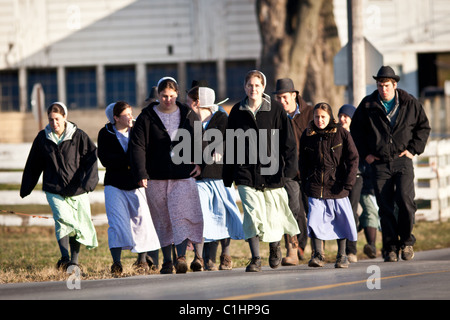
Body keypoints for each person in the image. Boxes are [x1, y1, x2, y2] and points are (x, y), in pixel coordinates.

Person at [350, 66, 431, 262]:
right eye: (380, 85)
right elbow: (355, 130)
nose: (383, 89)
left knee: (405, 200)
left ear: (394, 85)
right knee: (384, 206)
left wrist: (413, 150)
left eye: (386, 85)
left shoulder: (409, 103)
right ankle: (390, 248)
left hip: (402, 160)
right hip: (378, 163)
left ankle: (406, 242)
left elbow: (423, 127)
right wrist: (366, 154)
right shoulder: (368, 105)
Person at [223, 70, 300, 272]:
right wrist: (229, 175)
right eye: (250, 85)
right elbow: (230, 145)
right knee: (251, 213)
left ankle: (275, 248)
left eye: (257, 85)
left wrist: (289, 170)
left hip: (272, 172)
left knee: (272, 215)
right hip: (246, 172)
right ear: (245, 87)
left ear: (263, 88)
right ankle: (255, 258)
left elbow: (288, 142)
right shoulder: (237, 112)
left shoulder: (275, 109)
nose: (253, 89)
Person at [129, 77, 204, 274]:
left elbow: (199, 138)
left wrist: (199, 162)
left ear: (177, 94)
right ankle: (167, 261)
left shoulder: (188, 114)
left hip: (182, 175)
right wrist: (141, 172)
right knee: (163, 220)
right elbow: (137, 147)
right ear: (158, 95)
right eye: (164, 96)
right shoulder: (146, 117)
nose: (168, 100)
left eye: (171, 96)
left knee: (180, 215)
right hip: (156, 176)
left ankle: (180, 257)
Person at [20, 102, 99, 271]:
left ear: (65, 117)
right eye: (50, 120)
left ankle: (73, 261)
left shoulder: (79, 136)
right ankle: (64, 257)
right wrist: (26, 187)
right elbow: (33, 164)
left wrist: (89, 182)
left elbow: (91, 159)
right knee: (63, 219)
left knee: (78, 224)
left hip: (77, 189)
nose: (54, 123)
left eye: (57, 119)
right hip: (53, 188)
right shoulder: (43, 138)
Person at [97, 101, 161, 275]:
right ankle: (116, 262)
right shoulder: (105, 133)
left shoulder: (137, 131)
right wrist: (130, 162)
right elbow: (105, 158)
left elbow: (146, 152)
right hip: (114, 183)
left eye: (131, 113)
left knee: (142, 220)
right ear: (116, 118)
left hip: (136, 183)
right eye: (126, 114)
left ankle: (141, 260)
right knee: (116, 222)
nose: (131, 117)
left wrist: (141, 171)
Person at [186, 85, 244, 271]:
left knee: (223, 214)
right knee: (201, 215)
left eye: (189, 102)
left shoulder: (221, 119)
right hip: (199, 179)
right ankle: (199, 258)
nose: (187, 105)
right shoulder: (189, 121)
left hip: (220, 176)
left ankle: (225, 254)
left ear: (198, 102)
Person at [299, 102, 359, 268]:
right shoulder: (308, 134)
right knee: (314, 220)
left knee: (341, 221)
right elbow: (302, 161)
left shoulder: (341, 133)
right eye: (317, 117)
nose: (320, 120)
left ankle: (342, 255)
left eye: (323, 117)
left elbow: (353, 158)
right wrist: (305, 181)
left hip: (337, 186)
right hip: (316, 186)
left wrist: (348, 182)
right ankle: (318, 255)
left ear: (330, 117)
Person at [273, 78, 313, 265]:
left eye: (285, 97)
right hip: (288, 171)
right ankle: (295, 248)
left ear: (294, 95)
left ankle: (313, 246)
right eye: (279, 98)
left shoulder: (310, 113)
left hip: (310, 170)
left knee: (311, 210)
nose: (282, 101)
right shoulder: (276, 116)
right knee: (293, 208)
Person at [337, 104, 361, 263]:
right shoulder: (335, 135)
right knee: (341, 214)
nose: (342, 119)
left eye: (346, 116)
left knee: (351, 212)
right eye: (340, 115)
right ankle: (342, 251)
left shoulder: (358, 136)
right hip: (339, 179)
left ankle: (351, 250)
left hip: (356, 178)